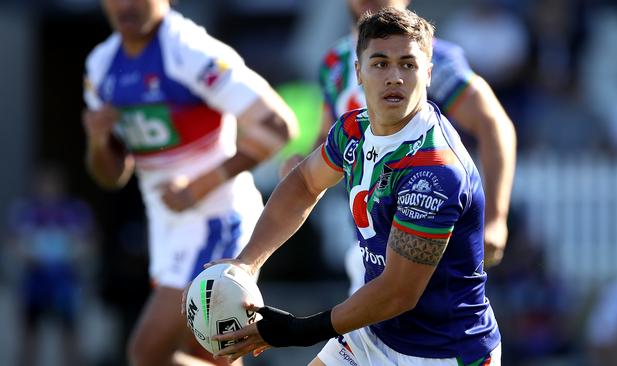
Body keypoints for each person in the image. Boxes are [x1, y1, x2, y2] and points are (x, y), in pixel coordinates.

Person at [208, 7, 501, 365]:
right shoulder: (352, 130)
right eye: (380, 63)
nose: (394, 77)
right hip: (375, 332)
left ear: (428, 73)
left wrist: (299, 331)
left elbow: (397, 293)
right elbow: (303, 182)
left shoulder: (434, 172)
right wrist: (247, 263)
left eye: (407, 64)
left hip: (442, 352)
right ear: (358, 72)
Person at [82, 1, 297, 365]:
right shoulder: (101, 65)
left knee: (148, 353)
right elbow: (111, 175)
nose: (126, 5)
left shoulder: (190, 50)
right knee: (216, 355)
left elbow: (278, 126)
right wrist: (98, 141)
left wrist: (198, 186)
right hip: (169, 226)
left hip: (217, 218)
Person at [284, 0, 516, 279]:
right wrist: (302, 171)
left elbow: (494, 124)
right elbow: (329, 140)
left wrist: (495, 219)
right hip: (367, 243)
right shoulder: (335, 61)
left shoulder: (432, 57)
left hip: (433, 236)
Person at [7, 163, 96, 366]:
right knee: (29, 339)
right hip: (34, 284)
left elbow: (90, 243)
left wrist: (72, 250)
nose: (48, 188)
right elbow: (12, 244)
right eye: (44, 183)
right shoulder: (25, 211)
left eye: (52, 183)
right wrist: (29, 252)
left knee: (70, 338)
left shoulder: (75, 211)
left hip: (65, 285)